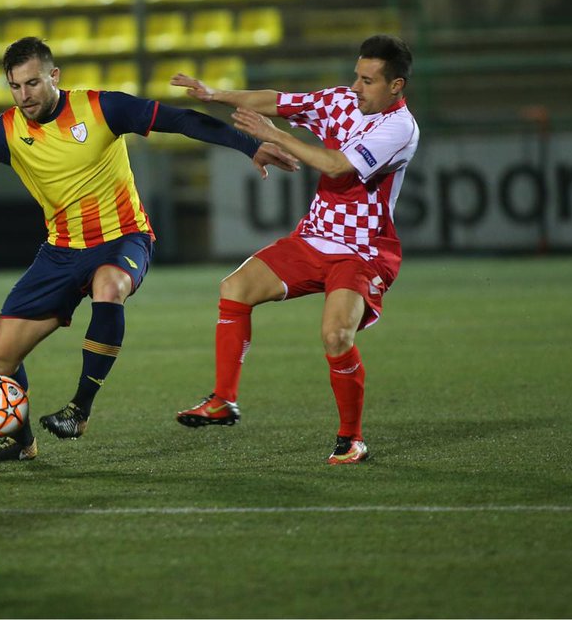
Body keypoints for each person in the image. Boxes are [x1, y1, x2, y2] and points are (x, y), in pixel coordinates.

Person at [0, 36, 297, 462]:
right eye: (15, 87)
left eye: (32, 83)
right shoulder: (7, 131)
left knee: (109, 285)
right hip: (61, 251)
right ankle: (21, 442)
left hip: (124, 237)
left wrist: (252, 146)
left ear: (54, 76)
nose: (24, 95)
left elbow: (180, 120)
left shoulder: (102, 108)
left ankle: (79, 409)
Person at [172, 34, 420, 465]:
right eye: (356, 76)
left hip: (361, 251)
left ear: (395, 86)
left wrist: (274, 137)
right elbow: (281, 100)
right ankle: (222, 400)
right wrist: (216, 94)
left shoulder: (399, 128)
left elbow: (337, 165)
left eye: (368, 80)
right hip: (313, 238)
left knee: (335, 335)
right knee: (234, 288)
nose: (356, 87)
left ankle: (351, 438)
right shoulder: (343, 100)